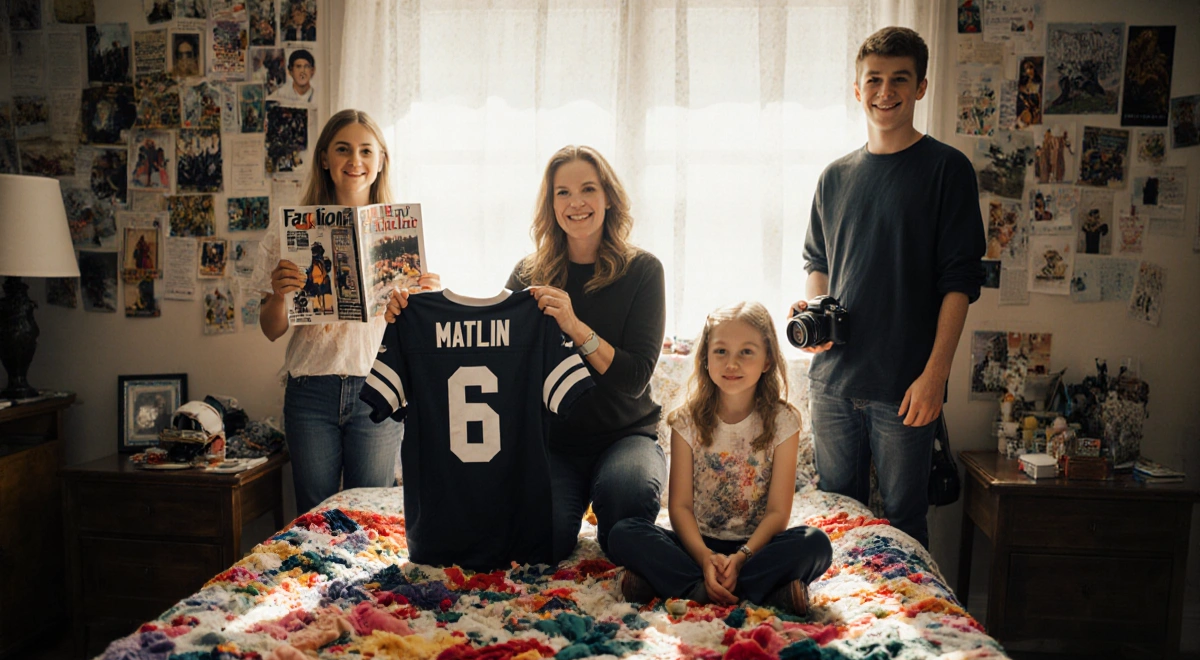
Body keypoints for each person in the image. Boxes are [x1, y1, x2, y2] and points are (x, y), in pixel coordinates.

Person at [385, 145, 667, 563]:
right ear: (550, 204)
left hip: (625, 435)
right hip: (552, 443)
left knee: (626, 507)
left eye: (588, 189)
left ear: (608, 197)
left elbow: (635, 377)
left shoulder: (643, 270)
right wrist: (420, 308)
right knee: (539, 541)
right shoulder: (528, 274)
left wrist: (574, 325)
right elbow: (493, 345)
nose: (576, 203)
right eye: (562, 193)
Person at [791, 27, 985, 549]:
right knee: (836, 520)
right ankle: (848, 627)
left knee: (903, 524)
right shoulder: (835, 176)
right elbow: (818, 262)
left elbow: (961, 282)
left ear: (921, 87)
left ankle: (908, 628)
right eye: (873, 79)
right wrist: (813, 311)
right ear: (857, 89)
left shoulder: (948, 169)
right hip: (832, 381)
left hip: (906, 386)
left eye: (900, 78)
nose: (885, 90)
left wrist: (935, 376)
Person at [251, 109, 440, 514]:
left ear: (380, 161)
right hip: (310, 391)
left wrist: (425, 298)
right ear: (324, 158)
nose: (355, 161)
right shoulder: (288, 231)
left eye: (366, 151)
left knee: (369, 513)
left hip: (379, 386)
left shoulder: (401, 232)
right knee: (313, 516)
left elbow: (416, 332)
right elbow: (270, 330)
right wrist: (280, 294)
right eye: (343, 149)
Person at [607, 302, 832, 614]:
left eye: (747, 352)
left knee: (815, 543)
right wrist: (705, 558)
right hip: (696, 548)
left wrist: (740, 559)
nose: (732, 364)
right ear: (706, 359)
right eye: (721, 351)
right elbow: (680, 507)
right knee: (623, 533)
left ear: (767, 360)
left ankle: (690, 588)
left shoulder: (784, 421)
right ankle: (758, 592)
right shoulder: (686, 420)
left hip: (757, 549)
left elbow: (778, 513)